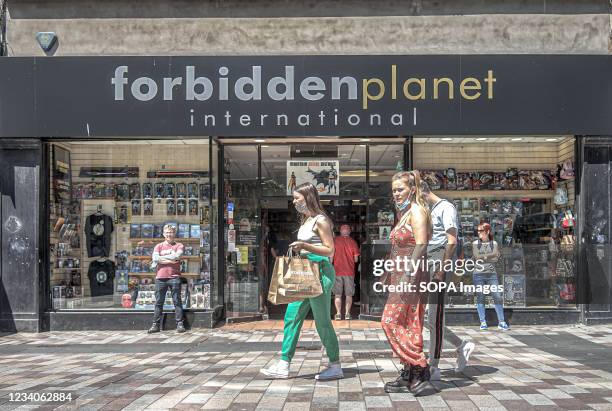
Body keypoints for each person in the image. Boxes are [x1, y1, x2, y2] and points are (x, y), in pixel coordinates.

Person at [260, 182, 343, 380]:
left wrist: (305, 245)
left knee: (322, 322)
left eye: (297, 197)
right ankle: (284, 364)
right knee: (291, 316)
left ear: (309, 197)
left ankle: (335, 364)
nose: (294, 201)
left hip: (319, 272)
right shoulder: (307, 220)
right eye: (294, 198)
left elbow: (330, 250)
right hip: (304, 274)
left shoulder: (321, 220)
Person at [381, 170, 436, 396]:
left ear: (412, 189)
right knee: (408, 323)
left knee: (389, 321)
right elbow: (398, 247)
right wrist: (388, 271)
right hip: (401, 275)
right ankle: (410, 372)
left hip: (411, 276)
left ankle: (420, 367)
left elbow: (421, 244)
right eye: (394, 190)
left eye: (400, 189)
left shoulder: (417, 211)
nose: (396, 194)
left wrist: (407, 274)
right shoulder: (404, 213)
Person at [420, 181, 475, 379]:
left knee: (434, 317)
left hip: (439, 265)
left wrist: (441, 270)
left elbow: (452, 241)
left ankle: (433, 366)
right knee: (427, 317)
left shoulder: (446, 208)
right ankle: (461, 345)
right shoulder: (431, 209)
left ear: (423, 193)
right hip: (429, 265)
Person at [148, 225, 186, 333]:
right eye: (167, 232)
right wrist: (170, 260)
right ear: (163, 234)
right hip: (160, 278)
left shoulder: (179, 245)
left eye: (171, 232)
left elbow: (177, 257)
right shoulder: (158, 246)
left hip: (174, 277)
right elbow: (155, 259)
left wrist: (161, 259)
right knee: (159, 302)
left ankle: (179, 324)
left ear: (174, 234)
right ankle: (155, 325)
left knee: (177, 301)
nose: (169, 234)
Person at [472, 222, 509, 331]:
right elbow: (476, 256)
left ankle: (501, 321)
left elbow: (496, 259)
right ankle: (483, 321)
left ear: (487, 232)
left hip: (491, 274)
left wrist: (484, 257)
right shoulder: (475, 243)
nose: (478, 233)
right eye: (477, 231)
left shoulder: (494, 243)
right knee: (480, 297)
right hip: (478, 274)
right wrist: (490, 255)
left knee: (497, 296)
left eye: (481, 231)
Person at [332, 224, 360, 320]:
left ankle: (338, 314)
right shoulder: (353, 242)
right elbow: (356, 259)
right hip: (349, 272)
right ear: (349, 231)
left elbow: (331, 258)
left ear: (340, 231)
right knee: (349, 294)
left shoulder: (335, 241)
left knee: (337, 294)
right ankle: (347, 314)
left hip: (337, 271)